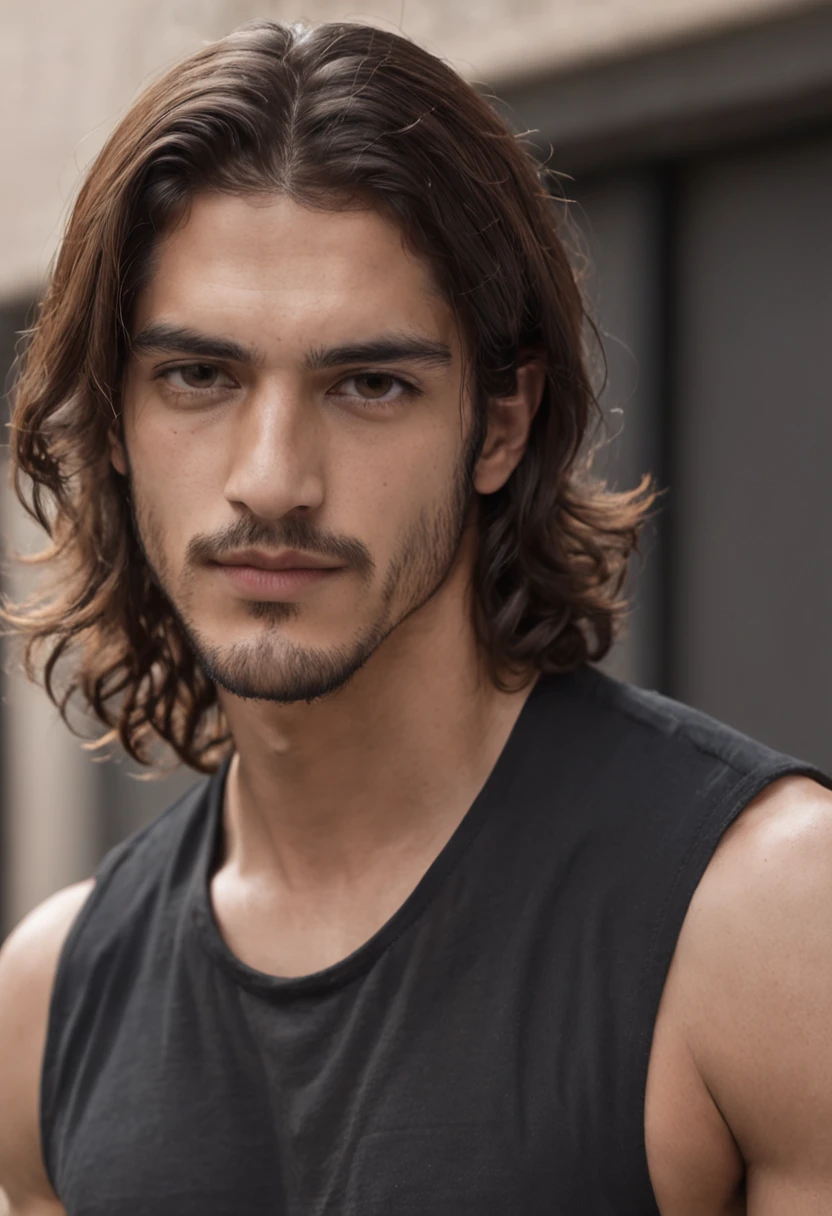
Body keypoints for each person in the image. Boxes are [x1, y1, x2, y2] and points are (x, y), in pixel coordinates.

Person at [0, 18, 830, 1215]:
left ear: (497, 424)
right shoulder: (50, 1001)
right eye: (200, 376)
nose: (273, 477)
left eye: (369, 384)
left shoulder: (766, 924)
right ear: (117, 424)